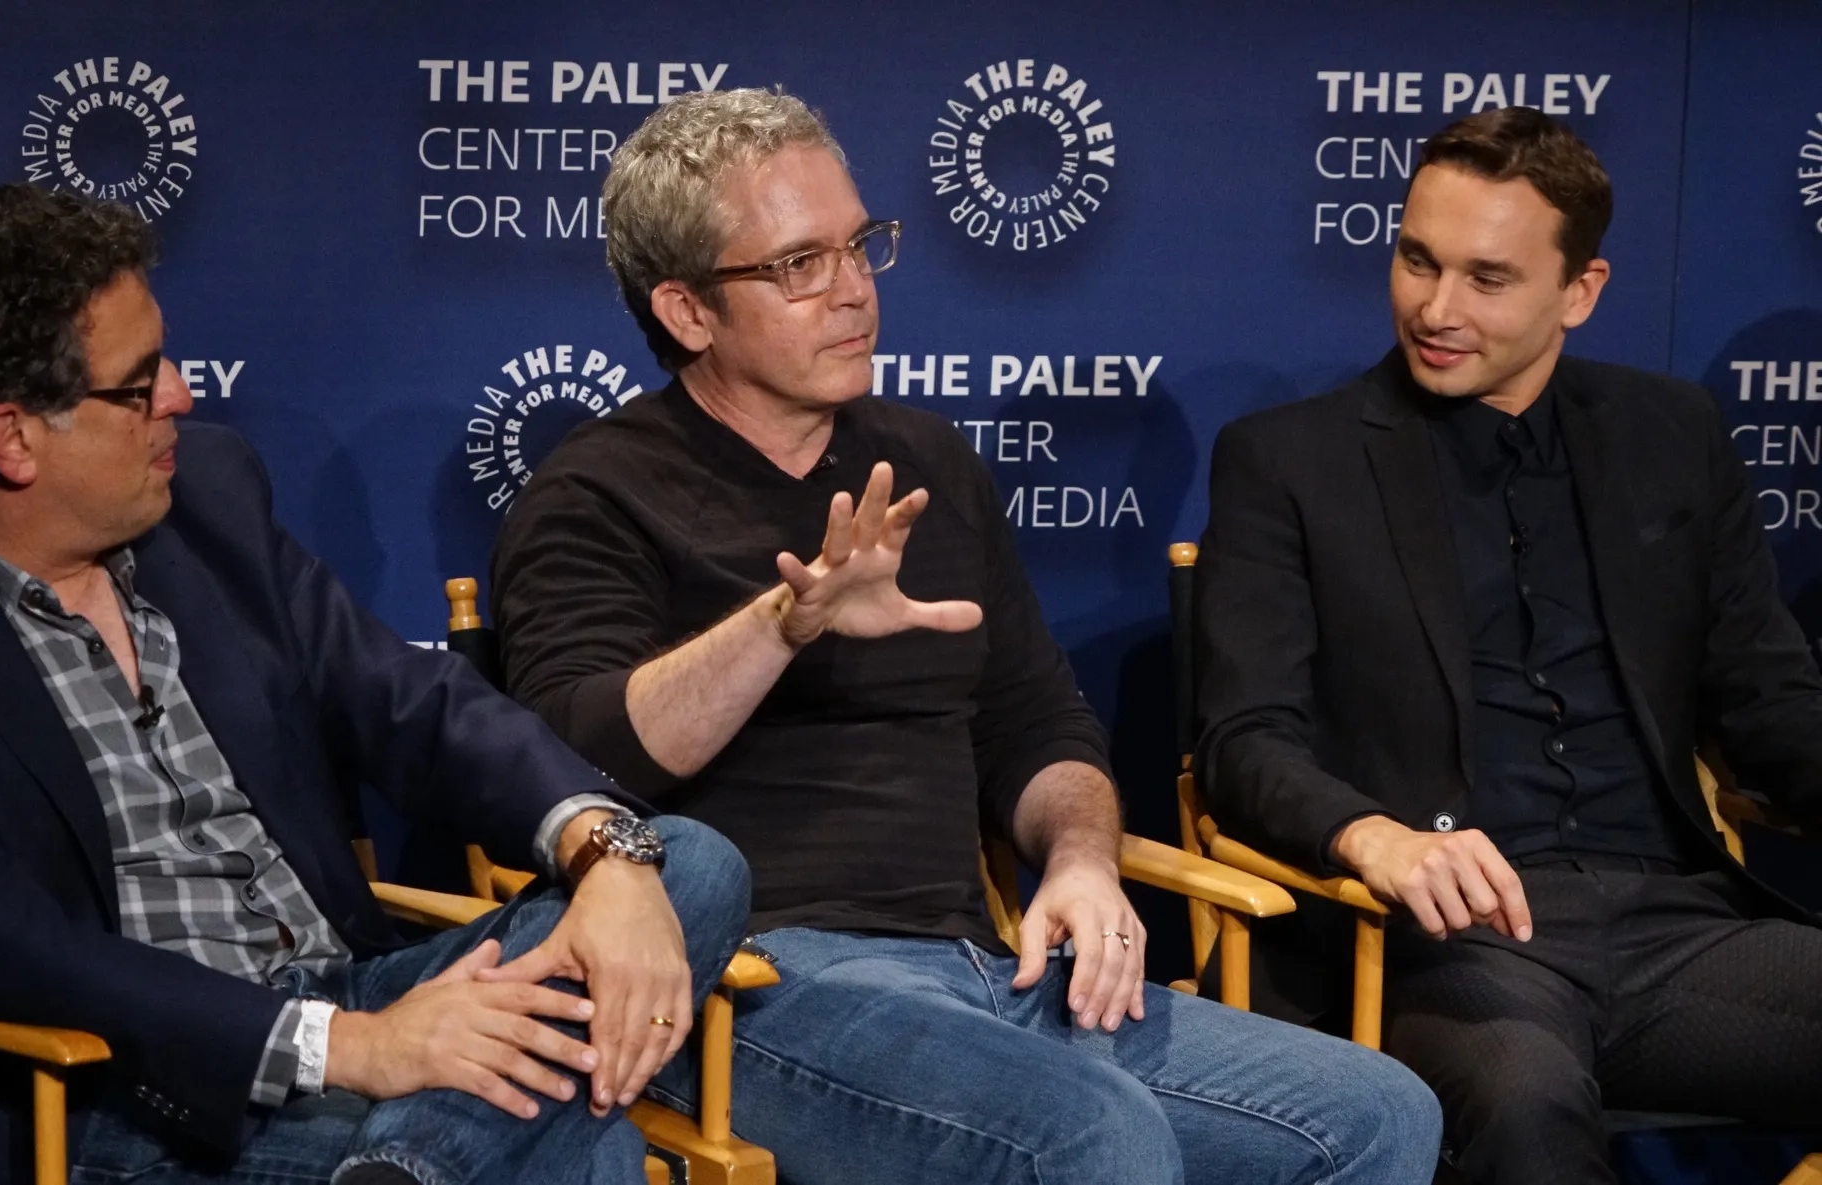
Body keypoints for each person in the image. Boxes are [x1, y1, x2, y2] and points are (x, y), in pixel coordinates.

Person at [489, 88, 1441, 1185]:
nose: (853, 291)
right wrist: (784, 622)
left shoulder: (927, 459)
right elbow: (582, 759)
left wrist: (1079, 864)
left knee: (1379, 1113)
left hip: (987, 971)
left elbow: (1035, 721)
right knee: (1093, 1138)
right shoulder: (594, 494)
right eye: (798, 265)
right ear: (687, 311)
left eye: (859, 246)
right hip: (751, 987)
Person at [0, 184, 751, 1185]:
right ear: (14, 437)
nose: (182, 396)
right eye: (138, 382)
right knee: (589, 1145)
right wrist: (353, 1050)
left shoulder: (205, 493)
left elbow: (408, 702)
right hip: (117, 1080)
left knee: (691, 862)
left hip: (361, 988)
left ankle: (413, 1165)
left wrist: (609, 857)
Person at [1195, 107, 1822, 1184]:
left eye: (1485, 279)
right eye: (1414, 260)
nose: (1433, 310)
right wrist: (1374, 836)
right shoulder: (1287, 462)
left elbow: (1767, 701)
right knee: (1522, 1103)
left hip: (1679, 929)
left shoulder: (1671, 437)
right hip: (1442, 943)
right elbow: (1242, 742)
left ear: (1578, 292)